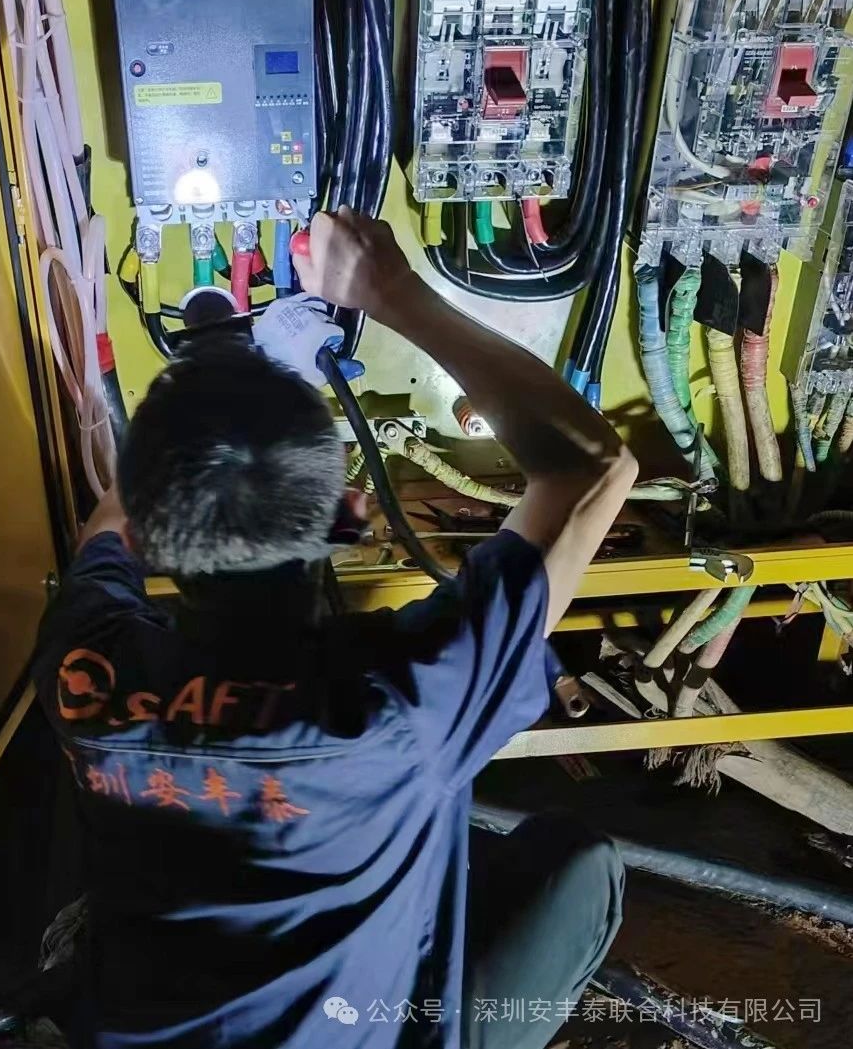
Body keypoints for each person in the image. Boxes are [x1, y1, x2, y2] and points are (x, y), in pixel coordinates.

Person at [33, 206, 637, 1049]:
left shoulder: (86, 672)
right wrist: (391, 293)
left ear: (156, 533)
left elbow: (109, 524)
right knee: (577, 866)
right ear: (350, 516)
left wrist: (197, 443)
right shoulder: (407, 702)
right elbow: (593, 467)